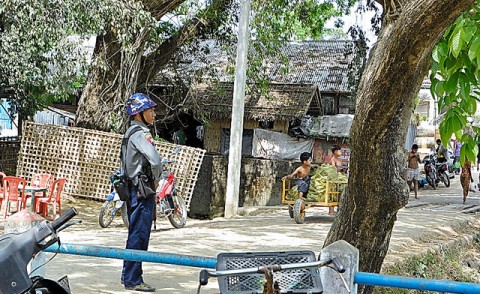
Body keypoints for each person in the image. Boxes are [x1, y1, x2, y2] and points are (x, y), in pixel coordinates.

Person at [121, 93, 162, 292]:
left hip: (133, 187)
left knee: (135, 232)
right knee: (139, 233)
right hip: (142, 188)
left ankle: (129, 275)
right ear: (139, 113)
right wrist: (156, 179)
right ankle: (133, 279)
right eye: (151, 110)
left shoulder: (130, 131)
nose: (154, 113)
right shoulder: (140, 133)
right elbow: (155, 161)